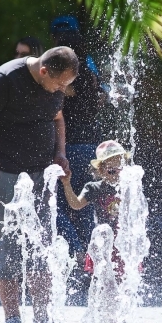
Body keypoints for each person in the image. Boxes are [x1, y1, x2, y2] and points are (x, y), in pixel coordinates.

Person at [0, 46, 78, 323]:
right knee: (4, 248)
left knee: (42, 247)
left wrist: (61, 153)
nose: (62, 90)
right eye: (59, 84)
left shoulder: (55, 83)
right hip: (3, 175)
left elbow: (58, 119)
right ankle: (13, 319)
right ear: (44, 71)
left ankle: (42, 319)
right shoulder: (3, 82)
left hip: (41, 175)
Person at [50, 16, 104, 267]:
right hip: (90, 146)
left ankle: (78, 252)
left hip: (67, 146)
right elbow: (102, 98)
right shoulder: (90, 66)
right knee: (83, 205)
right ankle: (91, 262)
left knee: (55, 206)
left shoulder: (59, 73)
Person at [59, 140, 130, 276]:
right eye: (112, 171)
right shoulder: (95, 188)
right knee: (104, 279)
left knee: (126, 280)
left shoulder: (129, 187)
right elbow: (76, 204)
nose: (117, 175)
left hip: (124, 242)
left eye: (122, 170)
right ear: (101, 171)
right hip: (103, 242)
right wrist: (67, 184)